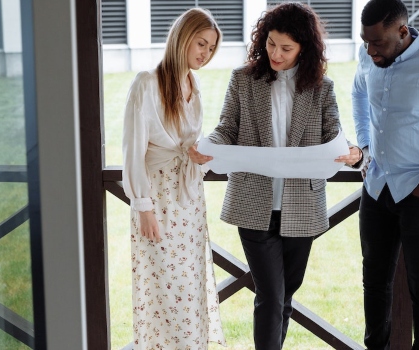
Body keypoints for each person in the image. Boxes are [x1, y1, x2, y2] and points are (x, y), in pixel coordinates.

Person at [192, 2, 361, 349]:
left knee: (285, 296)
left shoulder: (321, 87)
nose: (276, 53)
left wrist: (356, 154)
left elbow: (334, 134)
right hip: (253, 202)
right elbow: (228, 128)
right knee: (270, 295)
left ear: (304, 48)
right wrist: (208, 145)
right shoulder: (243, 79)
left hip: (302, 205)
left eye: (286, 48)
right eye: (270, 43)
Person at [121, 8, 226, 350]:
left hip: (189, 199)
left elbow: (189, 144)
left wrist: (199, 154)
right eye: (200, 43)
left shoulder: (192, 84)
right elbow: (132, 151)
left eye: (210, 48)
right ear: (182, 38)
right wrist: (143, 207)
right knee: (165, 287)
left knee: (190, 286)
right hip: (158, 199)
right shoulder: (147, 83)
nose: (204, 53)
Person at [351, 0, 419, 349]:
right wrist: (364, 147)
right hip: (377, 188)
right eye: (365, 41)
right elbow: (359, 93)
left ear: (403, 31)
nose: (370, 50)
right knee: (374, 281)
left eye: (377, 42)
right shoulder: (368, 56)